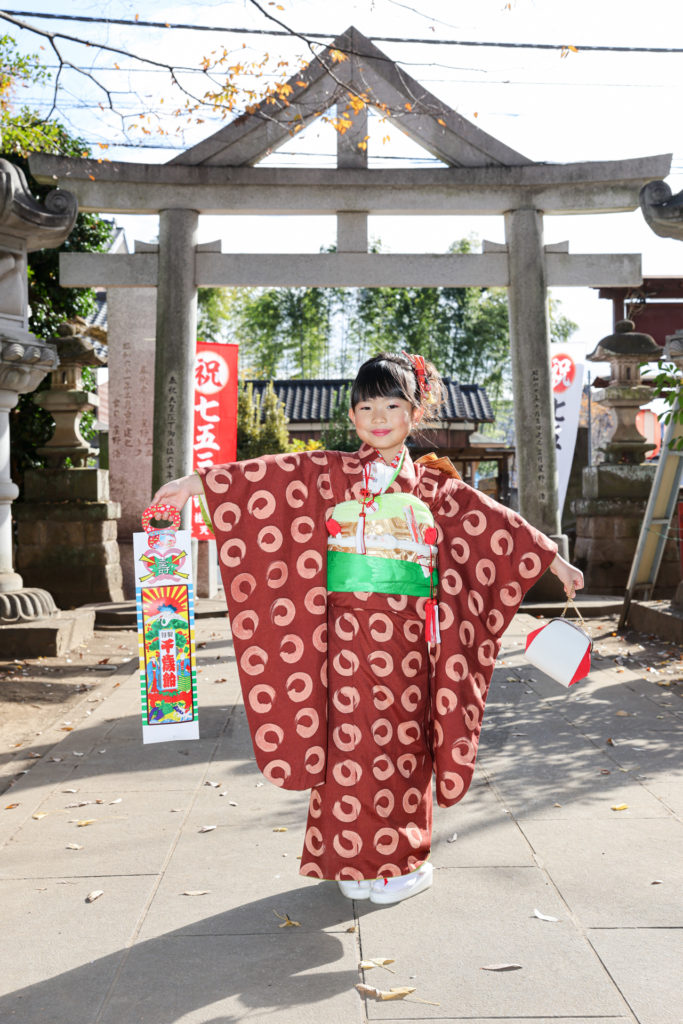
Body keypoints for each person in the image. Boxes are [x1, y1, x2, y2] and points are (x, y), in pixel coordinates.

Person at [152, 352, 583, 905]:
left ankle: (401, 861)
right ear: (353, 417)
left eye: (392, 404)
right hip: (342, 638)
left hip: (406, 643)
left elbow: (500, 527)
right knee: (346, 748)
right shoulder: (327, 473)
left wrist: (556, 562)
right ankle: (350, 861)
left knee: (403, 744)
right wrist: (196, 485)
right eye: (366, 406)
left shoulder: (435, 489)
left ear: (414, 412)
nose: (378, 416)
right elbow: (266, 481)